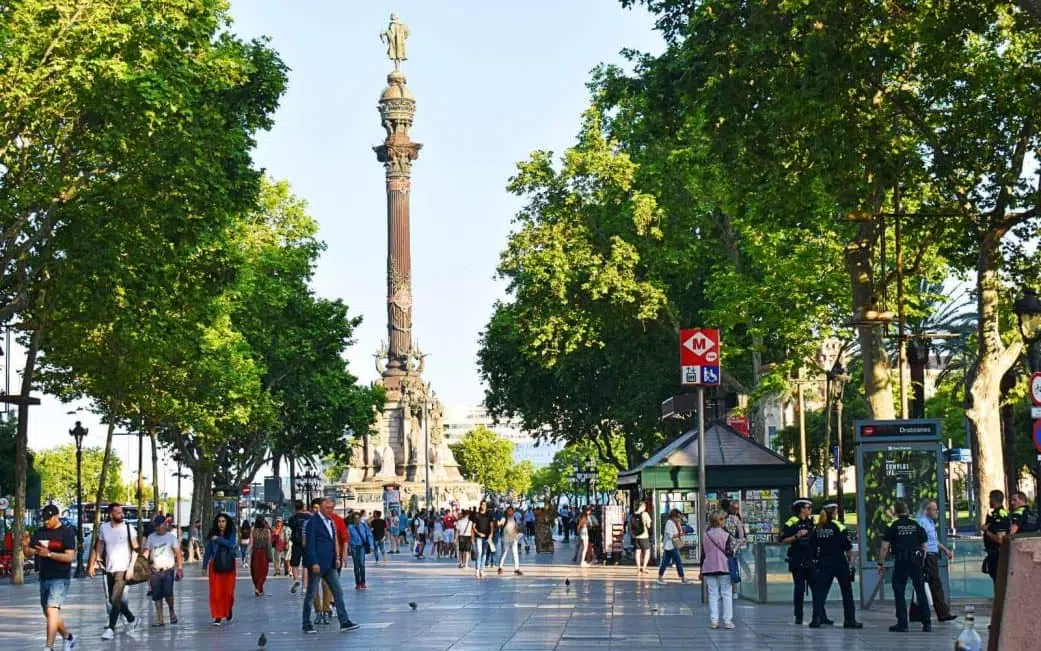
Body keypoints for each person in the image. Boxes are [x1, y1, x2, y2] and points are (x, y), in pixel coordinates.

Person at [25, 504, 78, 651]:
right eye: (44, 519)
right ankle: (69, 638)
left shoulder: (67, 533)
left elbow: (69, 557)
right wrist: (25, 545)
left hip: (60, 577)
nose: (46, 522)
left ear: (57, 516)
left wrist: (49, 554)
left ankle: (49, 647)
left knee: (51, 609)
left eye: (49, 519)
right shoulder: (40, 532)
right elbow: (29, 552)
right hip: (44, 576)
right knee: (49, 613)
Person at [302, 497, 359, 634]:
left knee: (338, 592)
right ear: (320, 508)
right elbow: (309, 544)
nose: (330, 510)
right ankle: (306, 623)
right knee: (311, 594)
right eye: (327, 508)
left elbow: (334, 541)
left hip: (330, 563)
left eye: (332, 508)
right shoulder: (312, 522)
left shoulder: (332, 522)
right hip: (317, 564)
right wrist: (314, 562)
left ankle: (344, 621)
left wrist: (337, 557)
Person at [87, 502, 139, 640]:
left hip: (123, 568)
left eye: (121, 512)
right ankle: (132, 619)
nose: (121, 514)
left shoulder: (129, 528)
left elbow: (136, 549)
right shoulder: (104, 528)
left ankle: (111, 628)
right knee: (112, 598)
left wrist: (131, 568)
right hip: (109, 568)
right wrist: (97, 558)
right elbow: (100, 543)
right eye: (118, 512)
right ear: (110, 514)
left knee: (115, 599)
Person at [879, 501, 931, 633]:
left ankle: (902, 623)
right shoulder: (916, 524)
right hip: (916, 560)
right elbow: (924, 545)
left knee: (899, 590)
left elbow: (885, 547)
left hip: (901, 560)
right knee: (920, 590)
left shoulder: (893, 525)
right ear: (907, 510)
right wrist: (922, 561)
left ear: (895, 512)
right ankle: (927, 623)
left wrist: (881, 563)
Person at [809, 503, 861, 629]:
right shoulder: (838, 526)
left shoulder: (818, 527)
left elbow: (813, 547)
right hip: (839, 562)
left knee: (820, 592)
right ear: (834, 511)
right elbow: (847, 547)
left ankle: (816, 618)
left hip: (824, 562)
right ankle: (849, 620)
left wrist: (816, 561)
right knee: (846, 592)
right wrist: (851, 564)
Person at [915, 500, 956, 623]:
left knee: (921, 583)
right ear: (927, 510)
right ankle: (943, 613)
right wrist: (923, 557)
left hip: (932, 555)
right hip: (927, 556)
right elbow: (921, 541)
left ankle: (915, 613)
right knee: (935, 583)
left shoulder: (930, 522)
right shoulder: (922, 522)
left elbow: (933, 541)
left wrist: (945, 550)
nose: (936, 512)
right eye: (934, 509)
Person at [780, 498, 817, 625]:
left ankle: (818, 615)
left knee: (817, 588)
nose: (810, 510)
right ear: (802, 509)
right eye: (808, 507)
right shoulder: (792, 522)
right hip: (797, 559)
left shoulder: (811, 522)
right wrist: (797, 535)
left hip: (810, 559)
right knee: (799, 589)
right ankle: (799, 616)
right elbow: (783, 540)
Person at [143, 514, 183, 627]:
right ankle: (160, 619)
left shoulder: (171, 537)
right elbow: (146, 551)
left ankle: (171, 611)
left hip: (168, 570)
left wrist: (180, 568)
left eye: (159, 526)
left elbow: (178, 554)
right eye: (155, 526)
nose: (157, 528)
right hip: (154, 571)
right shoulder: (151, 537)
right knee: (156, 596)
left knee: (168, 593)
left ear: (164, 525)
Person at [701, 510, 735, 629]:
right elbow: (730, 551)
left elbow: (703, 553)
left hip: (709, 566)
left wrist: (701, 569)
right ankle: (727, 620)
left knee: (713, 594)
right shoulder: (726, 535)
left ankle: (714, 620)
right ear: (720, 521)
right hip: (724, 566)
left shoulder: (706, 535)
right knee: (726, 593)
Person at [202, 513, 238, 625]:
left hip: (229, 566)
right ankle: (218, 616)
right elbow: (208, 551)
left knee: (228, 592)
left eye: (223, 521)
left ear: (227, 523)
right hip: (215, 566)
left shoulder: (231, 533)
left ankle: (228, 609)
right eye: (219, 521)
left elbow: (232, 544)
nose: (221, 524)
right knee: (216, 593)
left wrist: (218, 539)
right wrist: (204, 566)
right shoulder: (212, 534)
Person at [981, 489, 1010, 588]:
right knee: (996, 578)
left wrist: (986, 532)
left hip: (997, 553)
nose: (989, 501)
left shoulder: (999, 515)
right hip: (994, 552)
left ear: (993, 499)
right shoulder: (995, 514)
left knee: (998, 580)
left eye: (989, 498)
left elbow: (1000, 539)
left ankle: (999, 601)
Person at [721, 499, 746, 594]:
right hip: (733, 545)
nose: (736, 510)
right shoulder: (731, 518)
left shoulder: (732, 518)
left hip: (734, 545)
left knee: (734, 565)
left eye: (737, 508)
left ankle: (734, 588)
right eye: (734, 508)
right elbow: (739, 533)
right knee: (734, 566)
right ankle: (734, 589)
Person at [656, 509, 688, 584]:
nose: (678, 519)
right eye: (677, 517)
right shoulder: (669, 523)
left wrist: (679, 525)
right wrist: (679, 534)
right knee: (678, 562)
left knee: (665, 562)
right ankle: (683, 578)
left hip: (670, 546)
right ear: (673, 516)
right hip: (671, 546)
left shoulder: (674, 523)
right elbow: (670, 535)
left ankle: (660, 577)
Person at [287, 500, 310, 594]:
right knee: (306, 565)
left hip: (296, 543)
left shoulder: (292, 518)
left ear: (294, 507)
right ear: (303, 506)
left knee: (294, 563)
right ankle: (304, 588)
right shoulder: (309, 517)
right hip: (307, 543)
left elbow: (291, 528)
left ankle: (296, 579)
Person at [348, 511, 374, 589]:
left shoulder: (363, 525)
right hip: (354, 547)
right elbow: (348, 537)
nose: (357, 520)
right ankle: (357, 583)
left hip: (362, 546)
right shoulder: (350, 527)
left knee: (362, 564)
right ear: (353, 519)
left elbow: (369, 535)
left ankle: (363, 582)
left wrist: (371, 545)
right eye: (355, 518)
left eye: (358, 518)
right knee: (356, 565)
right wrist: (348, 547)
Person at [248, 515, 271, 596]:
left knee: (255, 572)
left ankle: (258, 589)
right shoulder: (267, 531)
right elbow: (269, 544)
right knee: (264, 571)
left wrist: (247, 554)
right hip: (264, 553)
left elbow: (251, 543)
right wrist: (270, 556)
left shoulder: (253, 530)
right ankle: (258, 588)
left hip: (255, 553)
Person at [497, 506, 523, 576]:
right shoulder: (504, 518)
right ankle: (500, 567)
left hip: (513, 539)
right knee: (504, 553)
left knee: (515, 555)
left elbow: (516, 528)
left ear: (513, 512)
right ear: (507, 511)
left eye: (511, 511)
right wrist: (498, 523)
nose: (510, 512)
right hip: (505, 539)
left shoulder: (514, 518)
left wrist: (516, 535)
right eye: (508, 511)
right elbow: (499, 524)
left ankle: (516, 569)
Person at [473, 501, 493, 579]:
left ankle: (482, 570)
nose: (483, 506)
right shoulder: (477, 515)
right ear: (480, 505)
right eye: (482, 504)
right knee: (479, 552)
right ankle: (477, 569)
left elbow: (491, 526)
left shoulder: (489, 515)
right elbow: (473, 527)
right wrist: (478, 533)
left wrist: (491, 534)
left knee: (484, 553)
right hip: (479, 536)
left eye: (485, 505)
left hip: (487, 536)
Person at [631, 502, 652, 575]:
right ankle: (644, 567)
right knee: (647, 551)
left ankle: (638, 569)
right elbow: (649, 526)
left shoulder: (633, 514)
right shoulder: (645, 514)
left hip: (636, 536)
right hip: (644, 536)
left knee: (637, 552)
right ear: (643, 507)